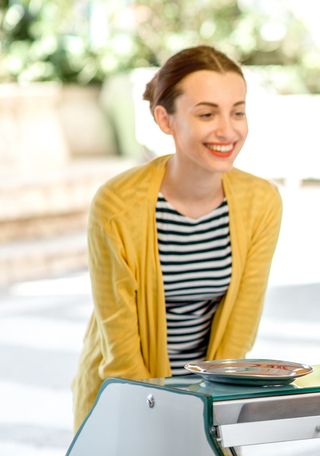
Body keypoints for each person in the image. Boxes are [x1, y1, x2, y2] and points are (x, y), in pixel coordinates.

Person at [71, 46, 281, 428]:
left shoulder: (261, 202)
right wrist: (155, 418)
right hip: (124, 398)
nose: (228, 130)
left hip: (207, 400)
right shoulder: (117, 205)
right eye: (207, 114)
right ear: (165, 119)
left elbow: (240, 328)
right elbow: (120, 347)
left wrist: (206, 414)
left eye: (237, 112)